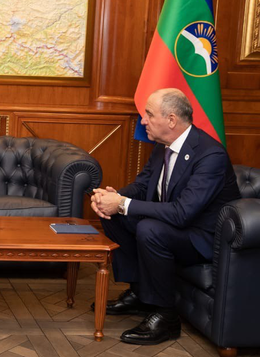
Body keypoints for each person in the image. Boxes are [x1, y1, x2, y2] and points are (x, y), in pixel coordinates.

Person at [90, 88, 240, 345]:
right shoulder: (162, 147)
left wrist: (123, 203)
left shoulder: (210, 155)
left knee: (149, 229)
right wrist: (112, 198)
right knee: (111, 215)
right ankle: (139, 293)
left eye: (149, 114)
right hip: (174, 227)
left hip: (202, 238)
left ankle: (166, 317)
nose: (143, 121)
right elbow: (142, 185)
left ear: (171, 120)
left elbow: (183, 213)